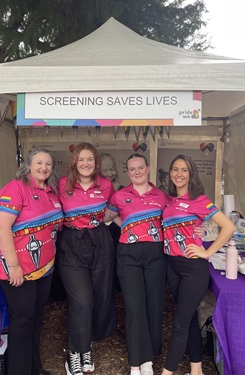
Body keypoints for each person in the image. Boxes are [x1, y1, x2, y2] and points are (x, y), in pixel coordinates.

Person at [160, 155, 235, 375]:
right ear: (171, 173)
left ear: (191, 174)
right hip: (172, 265)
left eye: (184, 170)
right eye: (175, 169)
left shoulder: (200, 200)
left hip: (193, 268)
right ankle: (197, 370)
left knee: (180, 322)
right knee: (190, 318)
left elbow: (228, 227)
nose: (179, 174)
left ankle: (167, 372)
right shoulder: (170, 200)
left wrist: (208, 251)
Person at [0, 149, 63, 375]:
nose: (44, 167)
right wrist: (14, 265)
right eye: (39, 163)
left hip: (43, 270)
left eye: (48, 164)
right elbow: (2, 226)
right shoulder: (16, 188)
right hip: (18, 271)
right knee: (22, 323)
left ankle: (34, 368)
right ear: (28, 165)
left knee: (35, 319)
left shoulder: (50, 192)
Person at [105, 154, 168, 375]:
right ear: (127, 171)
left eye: (140, 168)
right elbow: (106, 217)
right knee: (134, 307)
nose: (137, 172)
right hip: (128, 255)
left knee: (153, 305)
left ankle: (148, 359)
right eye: (132, 169)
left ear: (148, 169)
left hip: (155, 255)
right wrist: (126, 226)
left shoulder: (161, 196)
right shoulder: (119, 196)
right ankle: (135, 362)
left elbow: (172, 221)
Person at [56, 142, 116, 375]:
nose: (85, 163)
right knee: (82, 300)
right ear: (74, 162)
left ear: (96, 162)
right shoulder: (63, 184)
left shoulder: (106, 184)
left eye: (90, 159)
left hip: (100, 242)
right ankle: (74, 352)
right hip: (71, 244)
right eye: (81, 159)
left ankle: (86, 347)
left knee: (99, 296)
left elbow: (113, 210)